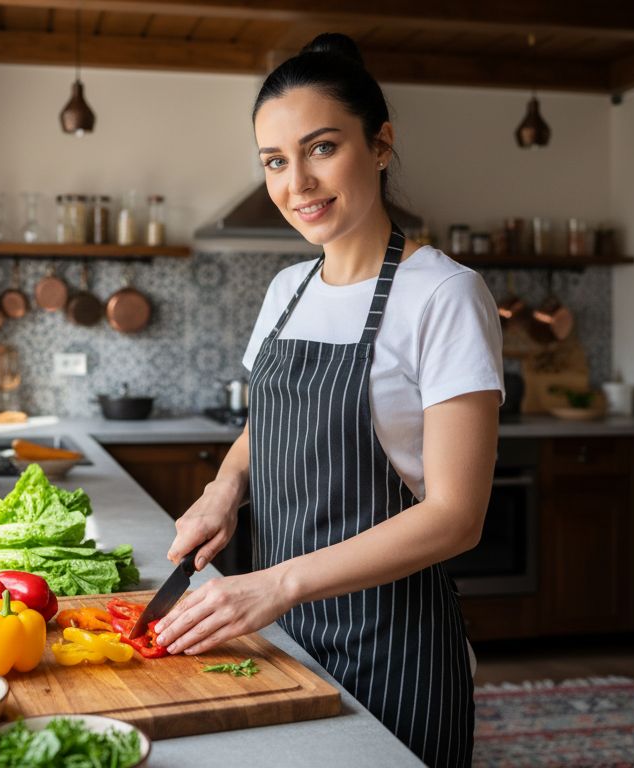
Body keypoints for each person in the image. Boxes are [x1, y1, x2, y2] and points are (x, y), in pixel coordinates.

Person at [152, 32, 503, 766]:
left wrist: (275, 585)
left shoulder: (443, 293)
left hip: (395, 644)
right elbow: (265, 426)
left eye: (321, 148)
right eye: (276, 161)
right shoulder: (287, 291)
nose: (297, 183)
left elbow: (457, 517)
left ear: (380, 144)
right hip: (284, 634)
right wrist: (225, 488)